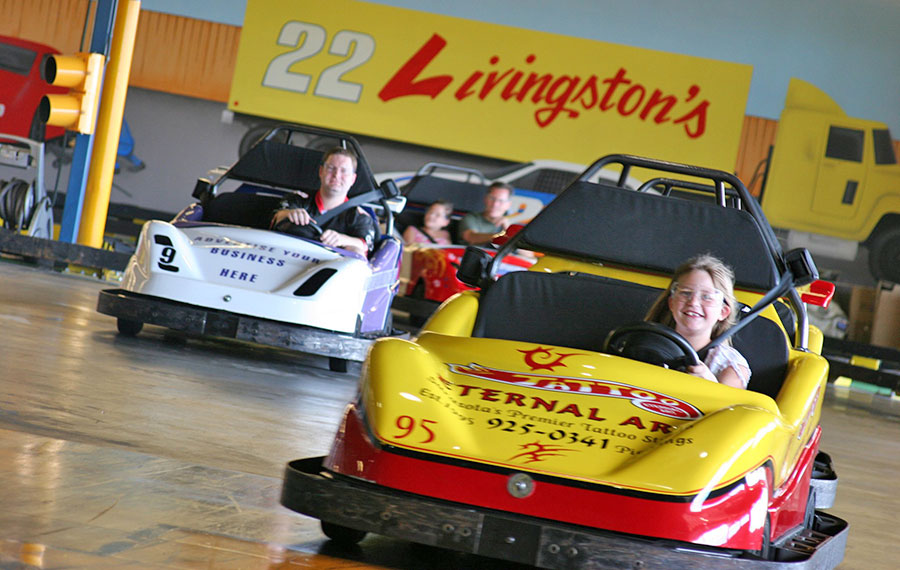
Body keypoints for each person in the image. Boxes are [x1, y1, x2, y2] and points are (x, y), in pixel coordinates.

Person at [645, 254, 750, 389]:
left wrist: (710, 386)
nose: (693, 303)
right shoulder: (644, 344)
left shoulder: (730, 366)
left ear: (723, 312)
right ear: (671, 303)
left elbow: (731, 408)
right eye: (686, 293)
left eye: (707, 297)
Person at [271, 147, 374, 256]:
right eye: (331, 168)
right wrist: (289, 214)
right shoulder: (298, 199)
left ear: (353, 179)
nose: (336, 175)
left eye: (343, 171)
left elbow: (364, 245)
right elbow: (277, 217)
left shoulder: (359, 216)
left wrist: (341, 239)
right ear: (321, 171)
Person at [458, 181, 513, 245]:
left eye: (501, 201)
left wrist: (508, 229)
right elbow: (471, 237)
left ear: (508, 205)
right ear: (485, 199)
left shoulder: (510, 224)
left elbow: (526, 252)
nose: (495, 204)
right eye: (492, 198)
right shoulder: (472, 218)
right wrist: (501, 237)